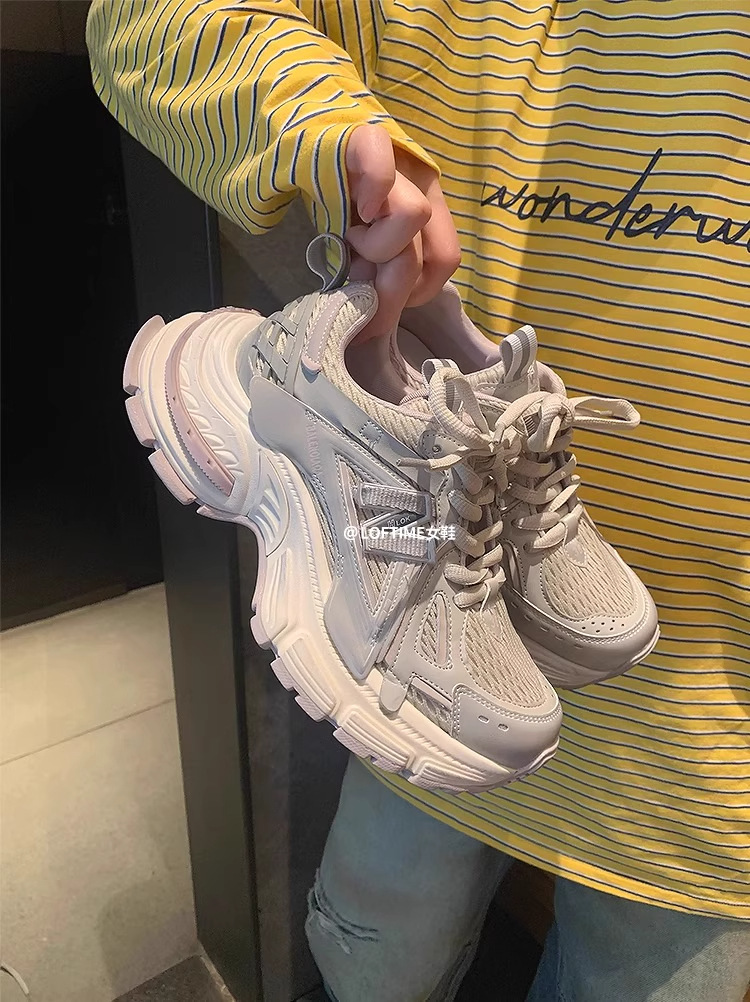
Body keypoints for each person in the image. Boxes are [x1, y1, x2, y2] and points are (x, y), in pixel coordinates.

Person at [86, 3, 750, 1000]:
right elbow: (138, 20)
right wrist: (326, 130)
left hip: (704, 757)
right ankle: (327, 400)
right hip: (430, 672)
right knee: (372, 972)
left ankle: (331, 406)